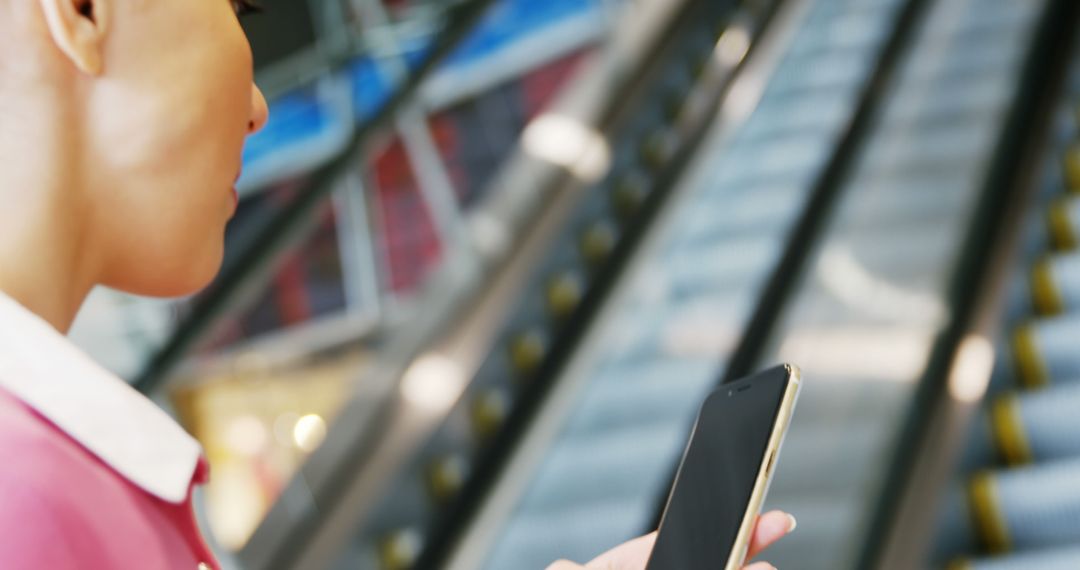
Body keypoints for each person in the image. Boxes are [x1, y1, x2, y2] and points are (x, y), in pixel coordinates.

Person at [0, 0, 793, 568]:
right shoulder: (29, 504)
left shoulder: (59, 479)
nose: (257, 107)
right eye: (240, 12)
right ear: (81, 11)